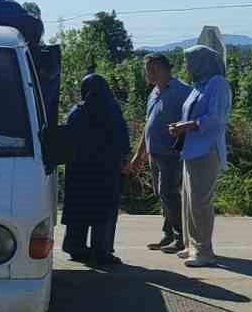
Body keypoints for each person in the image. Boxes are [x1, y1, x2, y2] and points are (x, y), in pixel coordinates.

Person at [169, 45, 232, 268]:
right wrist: (181, 127)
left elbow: (215, 119)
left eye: (189, 61)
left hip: (206, 151)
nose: (186, 65)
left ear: (201, 61)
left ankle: (204, 251)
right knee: (188, 200)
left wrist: (185, 125)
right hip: (191, 151)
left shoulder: (218, 84)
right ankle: (191, 245)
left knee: (200, 202)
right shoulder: (198, 86)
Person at [126, 54, 193, 253]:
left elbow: (193, 120)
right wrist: (139, 154)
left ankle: (181, 237)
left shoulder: (183, 91)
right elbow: (148, 126)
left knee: (168, 193)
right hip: (154, 153)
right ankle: (168, 234)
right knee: (162, 194)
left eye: (154, 69)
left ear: (166, 69)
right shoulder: (154, 93)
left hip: (172, 153)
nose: (150, 74)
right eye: (148, 70)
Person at [61, 74, 131, 266]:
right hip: (106, 170)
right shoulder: (112, 110)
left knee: (79, 208)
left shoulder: (76, 112)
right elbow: (122, 138)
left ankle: (75, 247)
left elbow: (66, 139)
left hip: (79, 170)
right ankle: (102, 251)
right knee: (104, 210)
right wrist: (124, 158)